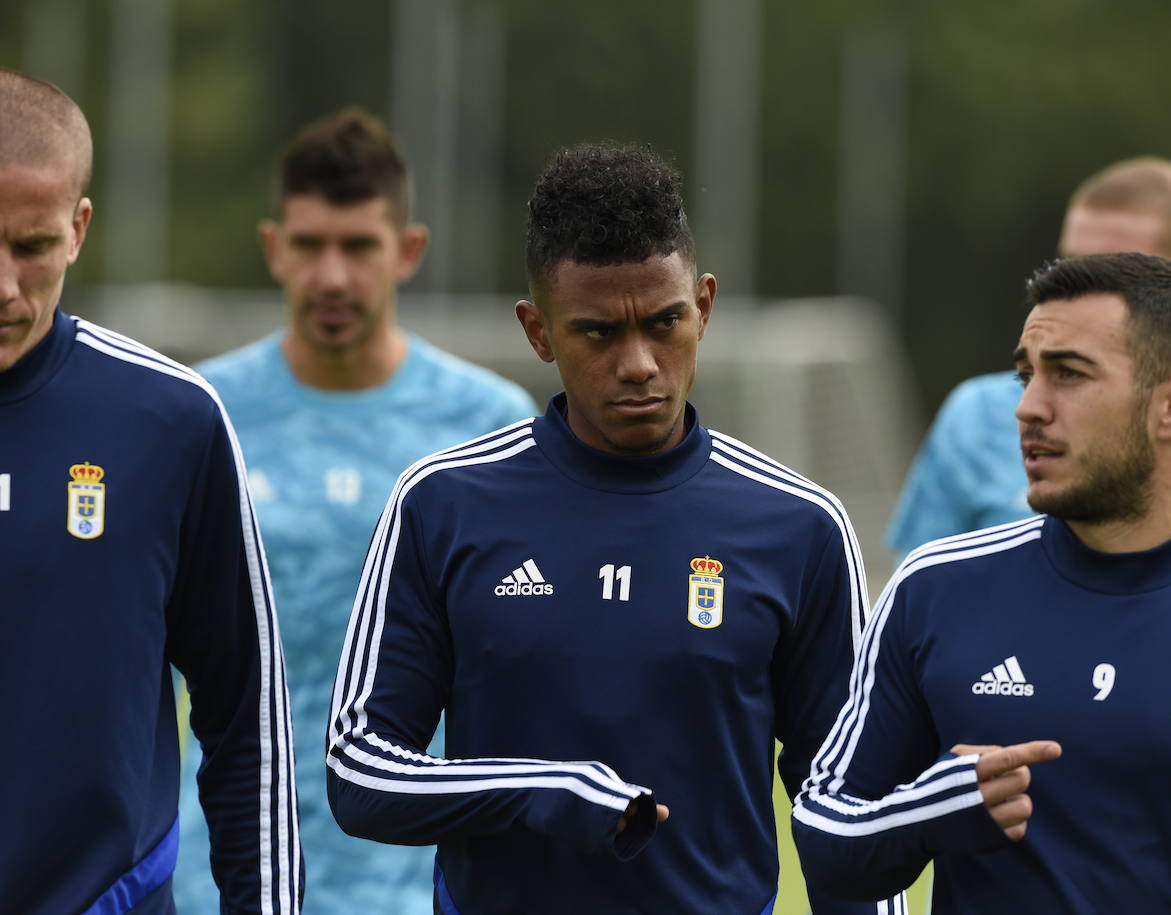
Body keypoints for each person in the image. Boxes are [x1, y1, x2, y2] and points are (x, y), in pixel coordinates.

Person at [324, 143, 903, 914]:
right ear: (538, 331)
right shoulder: (443, 503)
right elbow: (361, 774)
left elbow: (848, 815)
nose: (638, 362)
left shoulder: (800, 525)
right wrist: (541, 789)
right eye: (598, 333)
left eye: (664, 322)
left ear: (703, 305)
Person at [0, 69, 300, 913]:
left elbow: (247, 718)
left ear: (79, 228)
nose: (0, 285)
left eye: (31, 246)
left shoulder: (171, 421)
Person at [793, 252, 1171, 912]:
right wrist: (930, 810)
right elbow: (823, 840)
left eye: (1068, 375)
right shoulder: (935, 590)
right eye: (1026, 375)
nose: (1028, 408)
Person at [172, 109, 535, 914]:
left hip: (426, 889)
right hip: (221, 885)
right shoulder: (200, 417)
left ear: (407, 252)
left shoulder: (489, 425)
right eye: (308, 245)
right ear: (273, 247)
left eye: (359, 246)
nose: (331, 275)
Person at [887, 156, 1171, 556]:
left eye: (1115, 269)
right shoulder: (977, 416)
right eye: (1069, 262)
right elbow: (924, 587)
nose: (1077, 286)